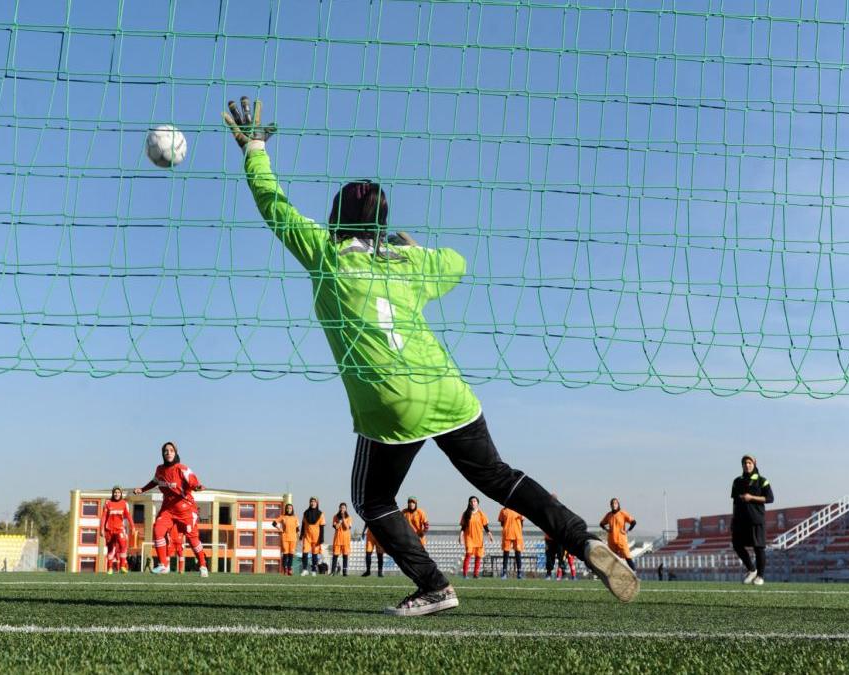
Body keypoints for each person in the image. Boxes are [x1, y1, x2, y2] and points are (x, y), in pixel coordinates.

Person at [224, 97, 638, 616]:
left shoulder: (325, 255)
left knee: (372, 500)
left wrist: (254, 147)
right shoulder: (410, 266)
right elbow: (457, 262)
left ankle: (434, 586)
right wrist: (410, 249)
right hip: (447, 389)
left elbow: (272, 204)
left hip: (390, 401)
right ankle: (581, 540)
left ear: (334, 220)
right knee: (500, 478)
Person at [133, 442, 209, 577]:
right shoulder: (159, 469)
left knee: (192, 540)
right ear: (162, 454)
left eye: (171, 450)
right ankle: (163, 565)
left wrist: (197, 487)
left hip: (185, 509)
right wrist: (142, 489)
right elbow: (155, 482)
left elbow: (193, 482)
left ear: (176, 453)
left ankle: (203, 565)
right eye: (166, 451)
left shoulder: (182, 469)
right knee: (157, 530)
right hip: (168, 508)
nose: (168, 453)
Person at [730, 454, 774, 586]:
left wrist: (752, 497)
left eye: (749, 463)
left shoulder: (762, 481)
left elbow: (770, 499)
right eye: (744, 463)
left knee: (758, 548)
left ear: (754, 464)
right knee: (737, 545)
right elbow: (735, 502)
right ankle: (752, 569)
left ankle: (760, 576)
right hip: (740, 520)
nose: (747, 465)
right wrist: (733, 519)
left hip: (756, 519)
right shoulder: (737, 481)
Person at [101, 487, 134, 574]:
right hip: (109, 529)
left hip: (120, 528)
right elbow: (103, 517)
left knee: (123, 545)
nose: (116, 494)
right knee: (111, 549)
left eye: (118, 492)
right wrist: (101, 529)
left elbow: (128, 515)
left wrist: (133, 526)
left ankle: (123, 566)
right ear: (113, 493)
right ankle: (110, 568)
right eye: (115, 492)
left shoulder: (124, 503)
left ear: (121, 494)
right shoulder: (108, 502)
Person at [459, 497, 493, 579]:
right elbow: (463, 527)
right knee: (468, 555)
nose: (473, 502)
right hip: (469, 537)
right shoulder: (466, 513)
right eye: (471, 501)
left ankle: (475, 574)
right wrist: (460, 536)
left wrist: (489, 534)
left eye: (474, 501)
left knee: (478, 556)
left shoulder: (481, 513)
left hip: (479, 538)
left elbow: (485, 525)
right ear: (469, 503)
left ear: (477, 503)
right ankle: (465, 574)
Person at [599, 498, 637, 571]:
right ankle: (612, 575)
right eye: (612, 503)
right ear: (610, 505)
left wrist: (628, 531)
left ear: (618, 504)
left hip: (621, 540)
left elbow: (633, 522)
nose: (614, 505)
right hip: (611, 540)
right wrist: (606, 529)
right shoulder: (609, 515)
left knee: (627, 557)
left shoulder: (623, 513)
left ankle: (634, 573)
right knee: (612, 559)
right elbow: (601, 524)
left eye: (615, 503)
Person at [299, 497, 325, 577]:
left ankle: (314, 570)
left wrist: (321, 538)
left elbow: (322, 527)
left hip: (316, 537)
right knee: (305, 553)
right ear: (309, 503)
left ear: (317, 503)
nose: (313, 503)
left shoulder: (321, 514)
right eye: (311, 501)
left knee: (314, 554)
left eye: (314, 502)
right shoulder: (305, 513)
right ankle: (305, 569)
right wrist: (301, 535)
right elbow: (303, 525)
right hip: (307, 536)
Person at [272, 503, 300, 576]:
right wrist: (279, 528)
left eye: (290, 508)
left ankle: (289, 569)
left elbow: (297, 529)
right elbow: (274, 523)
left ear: (292, 509)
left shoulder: (295, 518)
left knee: (291, 554)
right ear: (286, 509)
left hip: (293, 538)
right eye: (287, 508)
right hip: (285, 538)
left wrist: (299, 537)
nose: (289, 509)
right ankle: (284, 569)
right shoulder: (283, 517)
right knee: (285, 554)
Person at [497, 506, 524, 579]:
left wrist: (518, 529)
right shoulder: (503, 510)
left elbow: (522, 522)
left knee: (518, 554)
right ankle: (504, 573)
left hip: (517, 535)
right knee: (506, 555)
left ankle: (519, 573)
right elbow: (502, 523)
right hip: (507, 534)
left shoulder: (519, 509)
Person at [331, 503, 353, 576]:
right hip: (338, 539)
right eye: (341, 507)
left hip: (346, 539)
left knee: (345, 556)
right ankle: (333, 571)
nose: (342, 509)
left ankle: (344, 572)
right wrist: (340, 521)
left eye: (344, 508)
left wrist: (343, 519)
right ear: (339, 508)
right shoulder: (335, 517)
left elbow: (347, 527)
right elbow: (336, 527)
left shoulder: (349, 517)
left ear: (346, 509)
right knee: (335, 555)